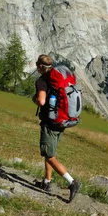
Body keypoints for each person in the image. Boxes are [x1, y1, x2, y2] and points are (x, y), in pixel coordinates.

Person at [32, 54, 81, 202]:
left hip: (50, 123)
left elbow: (41, 101)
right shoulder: (58, 77)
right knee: (49, 152)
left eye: (36, 64)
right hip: (62, 121)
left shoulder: (42, 81)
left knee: (49, 155)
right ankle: (47, 182)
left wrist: (34, 99)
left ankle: (72, 182)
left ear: (40, 66)